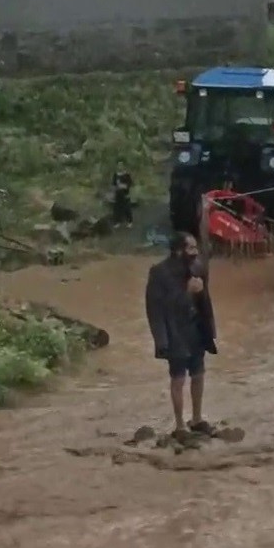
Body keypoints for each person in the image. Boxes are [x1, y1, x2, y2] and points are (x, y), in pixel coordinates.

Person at [145, 231, 217, 442]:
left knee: (199, 374)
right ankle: (179, 424)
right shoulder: (159, 272)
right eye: (191, 248)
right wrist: (160, 340)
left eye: (196, 248)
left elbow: (205, 301)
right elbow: (155, 308)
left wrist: (211, 330)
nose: (195, 252)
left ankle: (196, 419)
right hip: (174, 330)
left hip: (195, 328)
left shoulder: (198, 267)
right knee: (178, 378)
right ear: (178, 251)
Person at [111, 161, 133, 228]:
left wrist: (123, 186)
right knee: (117, 208)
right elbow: (113, 184)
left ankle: (129, 221)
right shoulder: (115, 175)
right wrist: (114, 188)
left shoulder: (126, 175)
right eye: (119, 165)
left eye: (121, 165)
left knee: (126, 208)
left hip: (125, 194)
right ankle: (118, 222)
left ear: (123, 166)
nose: (120, 167)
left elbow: (129, 184)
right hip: (118, 194)